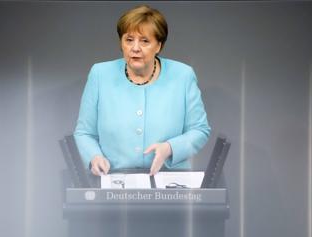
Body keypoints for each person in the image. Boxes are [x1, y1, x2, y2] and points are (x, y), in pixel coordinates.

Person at [74, 5, 211, 177]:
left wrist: (169, 148)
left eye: (145, 41)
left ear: (158, 46)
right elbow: (85, 133)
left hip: (170, 180)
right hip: (114, 178)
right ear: (121, 43)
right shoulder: (100, 74)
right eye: (129, 40)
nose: (135, 48)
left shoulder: (183, 75)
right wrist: (94, 157)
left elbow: (200, 129)